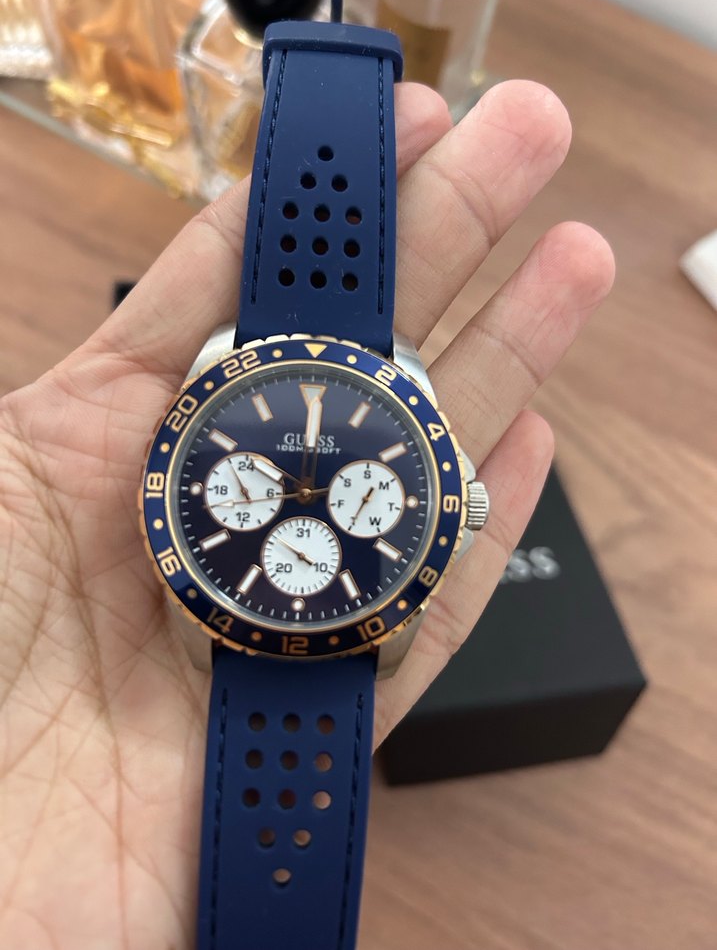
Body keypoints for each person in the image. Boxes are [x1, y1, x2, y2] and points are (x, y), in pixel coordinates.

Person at [0, 80, 614, 946]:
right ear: (456, 506)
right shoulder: (230, 372)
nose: (303, 496)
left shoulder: (312, 402)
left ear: (454, 505)